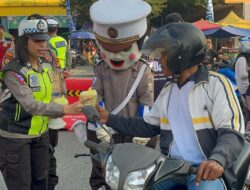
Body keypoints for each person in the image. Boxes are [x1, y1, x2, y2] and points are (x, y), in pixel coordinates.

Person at [93, 22, 245, 190]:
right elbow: (147, 126)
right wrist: (108, 118)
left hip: (204, 173)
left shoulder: (215, 84)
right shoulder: (168, 90)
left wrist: (217, 159)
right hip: (171, 169)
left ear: (181, 54)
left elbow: (231, 133)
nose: (159, 59)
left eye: (164, 54)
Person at [0, 18, 84, 190]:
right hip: (16, 138)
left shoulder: (46, 66)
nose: (43, 45)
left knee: (42, 183)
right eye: (37, 40)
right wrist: (65, 109)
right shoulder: (13, 70)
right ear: (24, 41)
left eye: (44, 40)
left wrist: (62, 99)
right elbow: (31, 105)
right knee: (21, 186)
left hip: (41, 134)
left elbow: (54, 92)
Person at [87, 0, 156, 189]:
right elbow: (95, 97)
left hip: (132, 131)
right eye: (108, 50)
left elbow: (147, 102)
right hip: (106, 131)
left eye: (125, 50)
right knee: (102, 172)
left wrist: (143, 131)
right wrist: (97, 125)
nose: (116, 56)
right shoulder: (101, 69)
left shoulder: (143, 70)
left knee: (133, 176)